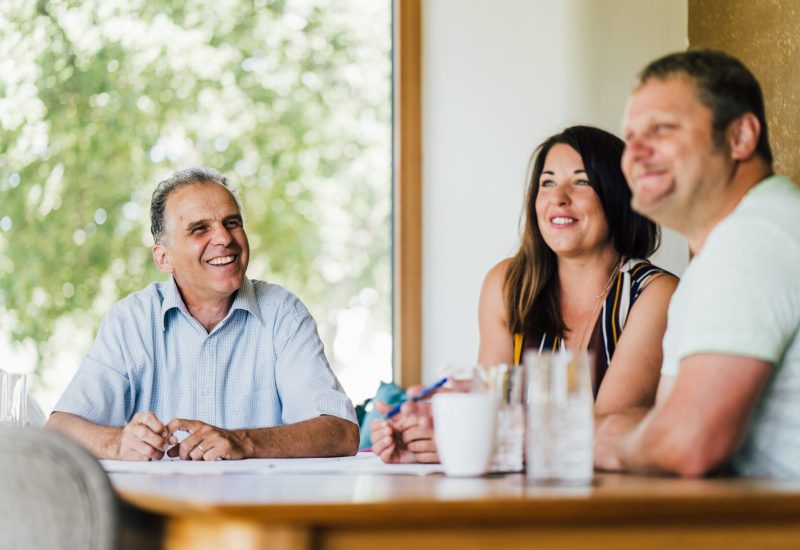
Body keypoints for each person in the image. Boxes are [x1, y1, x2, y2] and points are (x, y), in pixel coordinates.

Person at [372, 126, 677, 463]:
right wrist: (428, 433)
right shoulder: (506, 285)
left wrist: (476, 439)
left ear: (619, 195)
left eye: (581, 181)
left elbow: (601, 435)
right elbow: (491, 414)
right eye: (547, 182)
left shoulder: (655, 295)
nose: (558, 197)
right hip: (513, 500)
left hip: (610, 503)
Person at [46, 167, 358, 461]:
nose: (224, 238)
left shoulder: (283, 313)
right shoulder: (132, 321)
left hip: (258, 512)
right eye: (200, 229)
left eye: (232, 223)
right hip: (157, 512)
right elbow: (59, 429)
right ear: (164, 258)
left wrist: (243, 441)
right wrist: (117, 443)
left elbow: (342, 433)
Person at [594, 50, 800, 478]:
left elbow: (685, 444)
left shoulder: (756, 237)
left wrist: (601, 437)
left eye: (662, 128)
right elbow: (670, 422)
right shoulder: (730, 245)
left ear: (740, 137)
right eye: (630, 137)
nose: (635, 153)